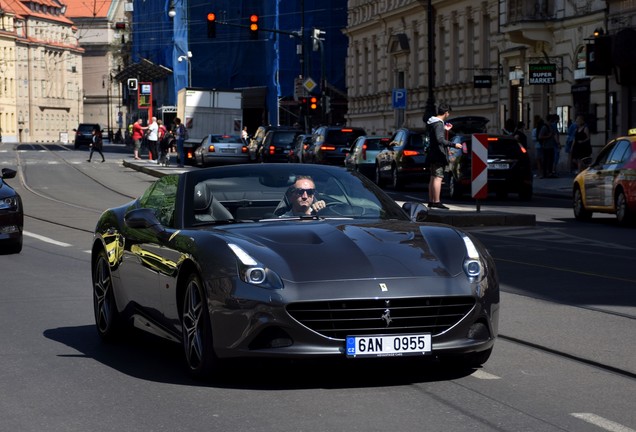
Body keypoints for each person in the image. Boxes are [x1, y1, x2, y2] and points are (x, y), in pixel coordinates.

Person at [425, 103, 463, 209]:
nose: (448, 114)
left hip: (433, 153)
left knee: (433, 177)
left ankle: (431, 201)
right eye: (448, 113)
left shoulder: (432, 122)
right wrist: (454, 144)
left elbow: (435, 138)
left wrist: (447, 148)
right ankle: (436, 201)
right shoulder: (438, 124)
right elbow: (440, 139)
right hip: (438, 154)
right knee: (438, 177)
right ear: (446, 113)